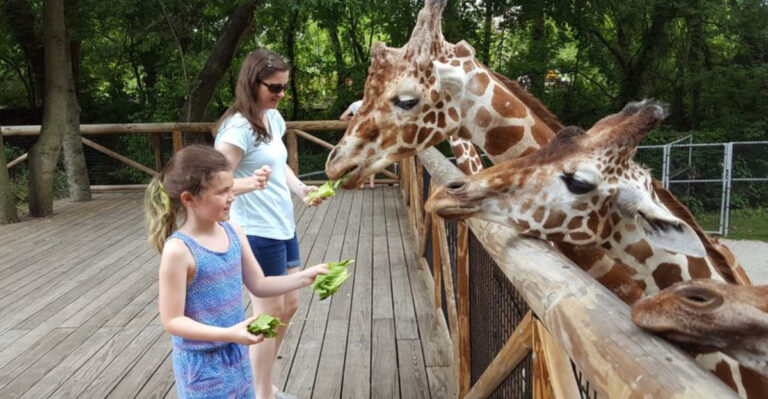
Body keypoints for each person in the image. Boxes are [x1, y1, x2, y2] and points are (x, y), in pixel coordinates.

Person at [145, 145, 328, 399]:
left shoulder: (234, 231)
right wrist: (229, 334)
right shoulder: (179, 251)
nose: (231, 197)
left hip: (238, 356)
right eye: (222, 192)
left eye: (231, 188)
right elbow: (172, 321)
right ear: (188, 199)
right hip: (202, 370)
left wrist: (305, 277)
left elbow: (259, 284)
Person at [213, 48, 325, 399]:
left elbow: (280, 165)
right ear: (252, 83)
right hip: (255, 231)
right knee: (270, 314)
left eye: (284, 87)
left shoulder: (272, 118)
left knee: (289, 305)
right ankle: (261, 393)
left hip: (282, 225)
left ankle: (259, 383)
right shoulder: (237, 129)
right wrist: (249, 184)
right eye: (274, 87)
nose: (281, 94)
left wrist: (301, 189)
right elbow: (211, 184)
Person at [339, 92, 374, 189]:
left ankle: (361, 183)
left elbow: (342, 117)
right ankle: (371, 183)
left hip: (358, 134)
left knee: (359, 159)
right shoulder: (371, 103)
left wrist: (352, 118)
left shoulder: (354, 105)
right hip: (371, 133)